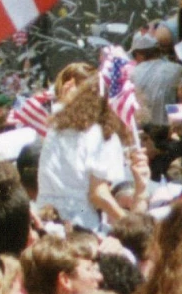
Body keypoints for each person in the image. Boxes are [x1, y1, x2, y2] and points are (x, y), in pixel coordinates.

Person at [38, 66, 133, 230]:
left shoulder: (56, 128)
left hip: (44, 218)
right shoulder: (103, 135)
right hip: (79, 223)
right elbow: (97, 194)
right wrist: (130, 223)